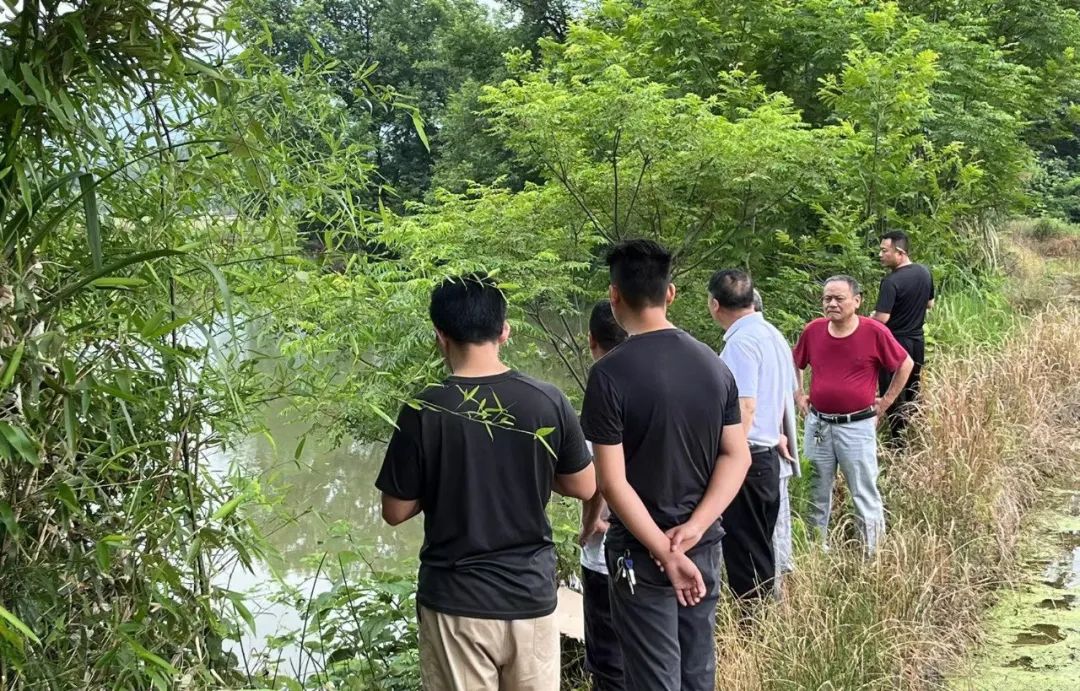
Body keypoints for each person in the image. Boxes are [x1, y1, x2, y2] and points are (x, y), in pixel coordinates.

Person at [376, 274, 596, 691]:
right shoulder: (546, 400)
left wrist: (439, 480)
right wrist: (532, 467)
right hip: (529, 597)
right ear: (504, 331)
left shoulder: (424, 408)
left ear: (440, 336)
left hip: (455, 603)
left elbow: (395, 510)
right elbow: (585, 486)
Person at [580, 239, 751, 691]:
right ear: (670, 293)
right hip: (702, 546)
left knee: (653, 681)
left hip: (640, 554)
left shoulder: (608, 375)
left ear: (614, 296)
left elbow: (612, 482)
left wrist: (662, 550)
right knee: (697, 676)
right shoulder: (713, 365)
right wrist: (694, 528)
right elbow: (737, 455)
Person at [793, 275, 913, 553]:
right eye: (827, 299)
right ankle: (815, 551)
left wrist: (885, 402)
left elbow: (904, 363)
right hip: (819, 424)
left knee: (863, 490)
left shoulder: (874, 332)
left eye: (839, 298)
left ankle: (872, 555)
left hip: (856, 426)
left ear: (857, 301)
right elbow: (796, 360)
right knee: (815, 490)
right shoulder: (813, 330)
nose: (832, 304)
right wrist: (798, 393)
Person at [707, 270, 795, 602]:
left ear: (715, 304)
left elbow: (745, 406)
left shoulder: (741, 343)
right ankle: (763, 622)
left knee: (745, 557)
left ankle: (753, 627)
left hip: (749, 459)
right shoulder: (772, 334)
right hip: (766, 457)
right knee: (759, 550)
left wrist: (731, 461)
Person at [578, 300, 628, 691]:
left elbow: (598, 477)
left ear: (592, 340)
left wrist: (588, 522)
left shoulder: (603, 382)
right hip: (662, 540)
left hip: (610, 548)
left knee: (608, 659)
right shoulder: (661, 374)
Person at [751, 288, 801, 583]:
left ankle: (775, 593)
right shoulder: (774, 337)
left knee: (769, 529)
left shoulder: (750, 342)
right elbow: (789, 389)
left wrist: (778, 433)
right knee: (775, 524)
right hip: (774, 444)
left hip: (767, 447)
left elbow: (765, 398)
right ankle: (777, 588)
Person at [872, 230, 935, 441]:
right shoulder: (925, 272)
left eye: (884, 251)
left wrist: (869, 319)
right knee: (912, 388)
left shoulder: (891, 282)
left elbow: (882, 319)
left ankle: (898, 441)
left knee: (892, 392)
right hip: (917, 341)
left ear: (900, 252)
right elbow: (930, 304)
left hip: (894, 343)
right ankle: (915, 434)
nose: (880, 255)